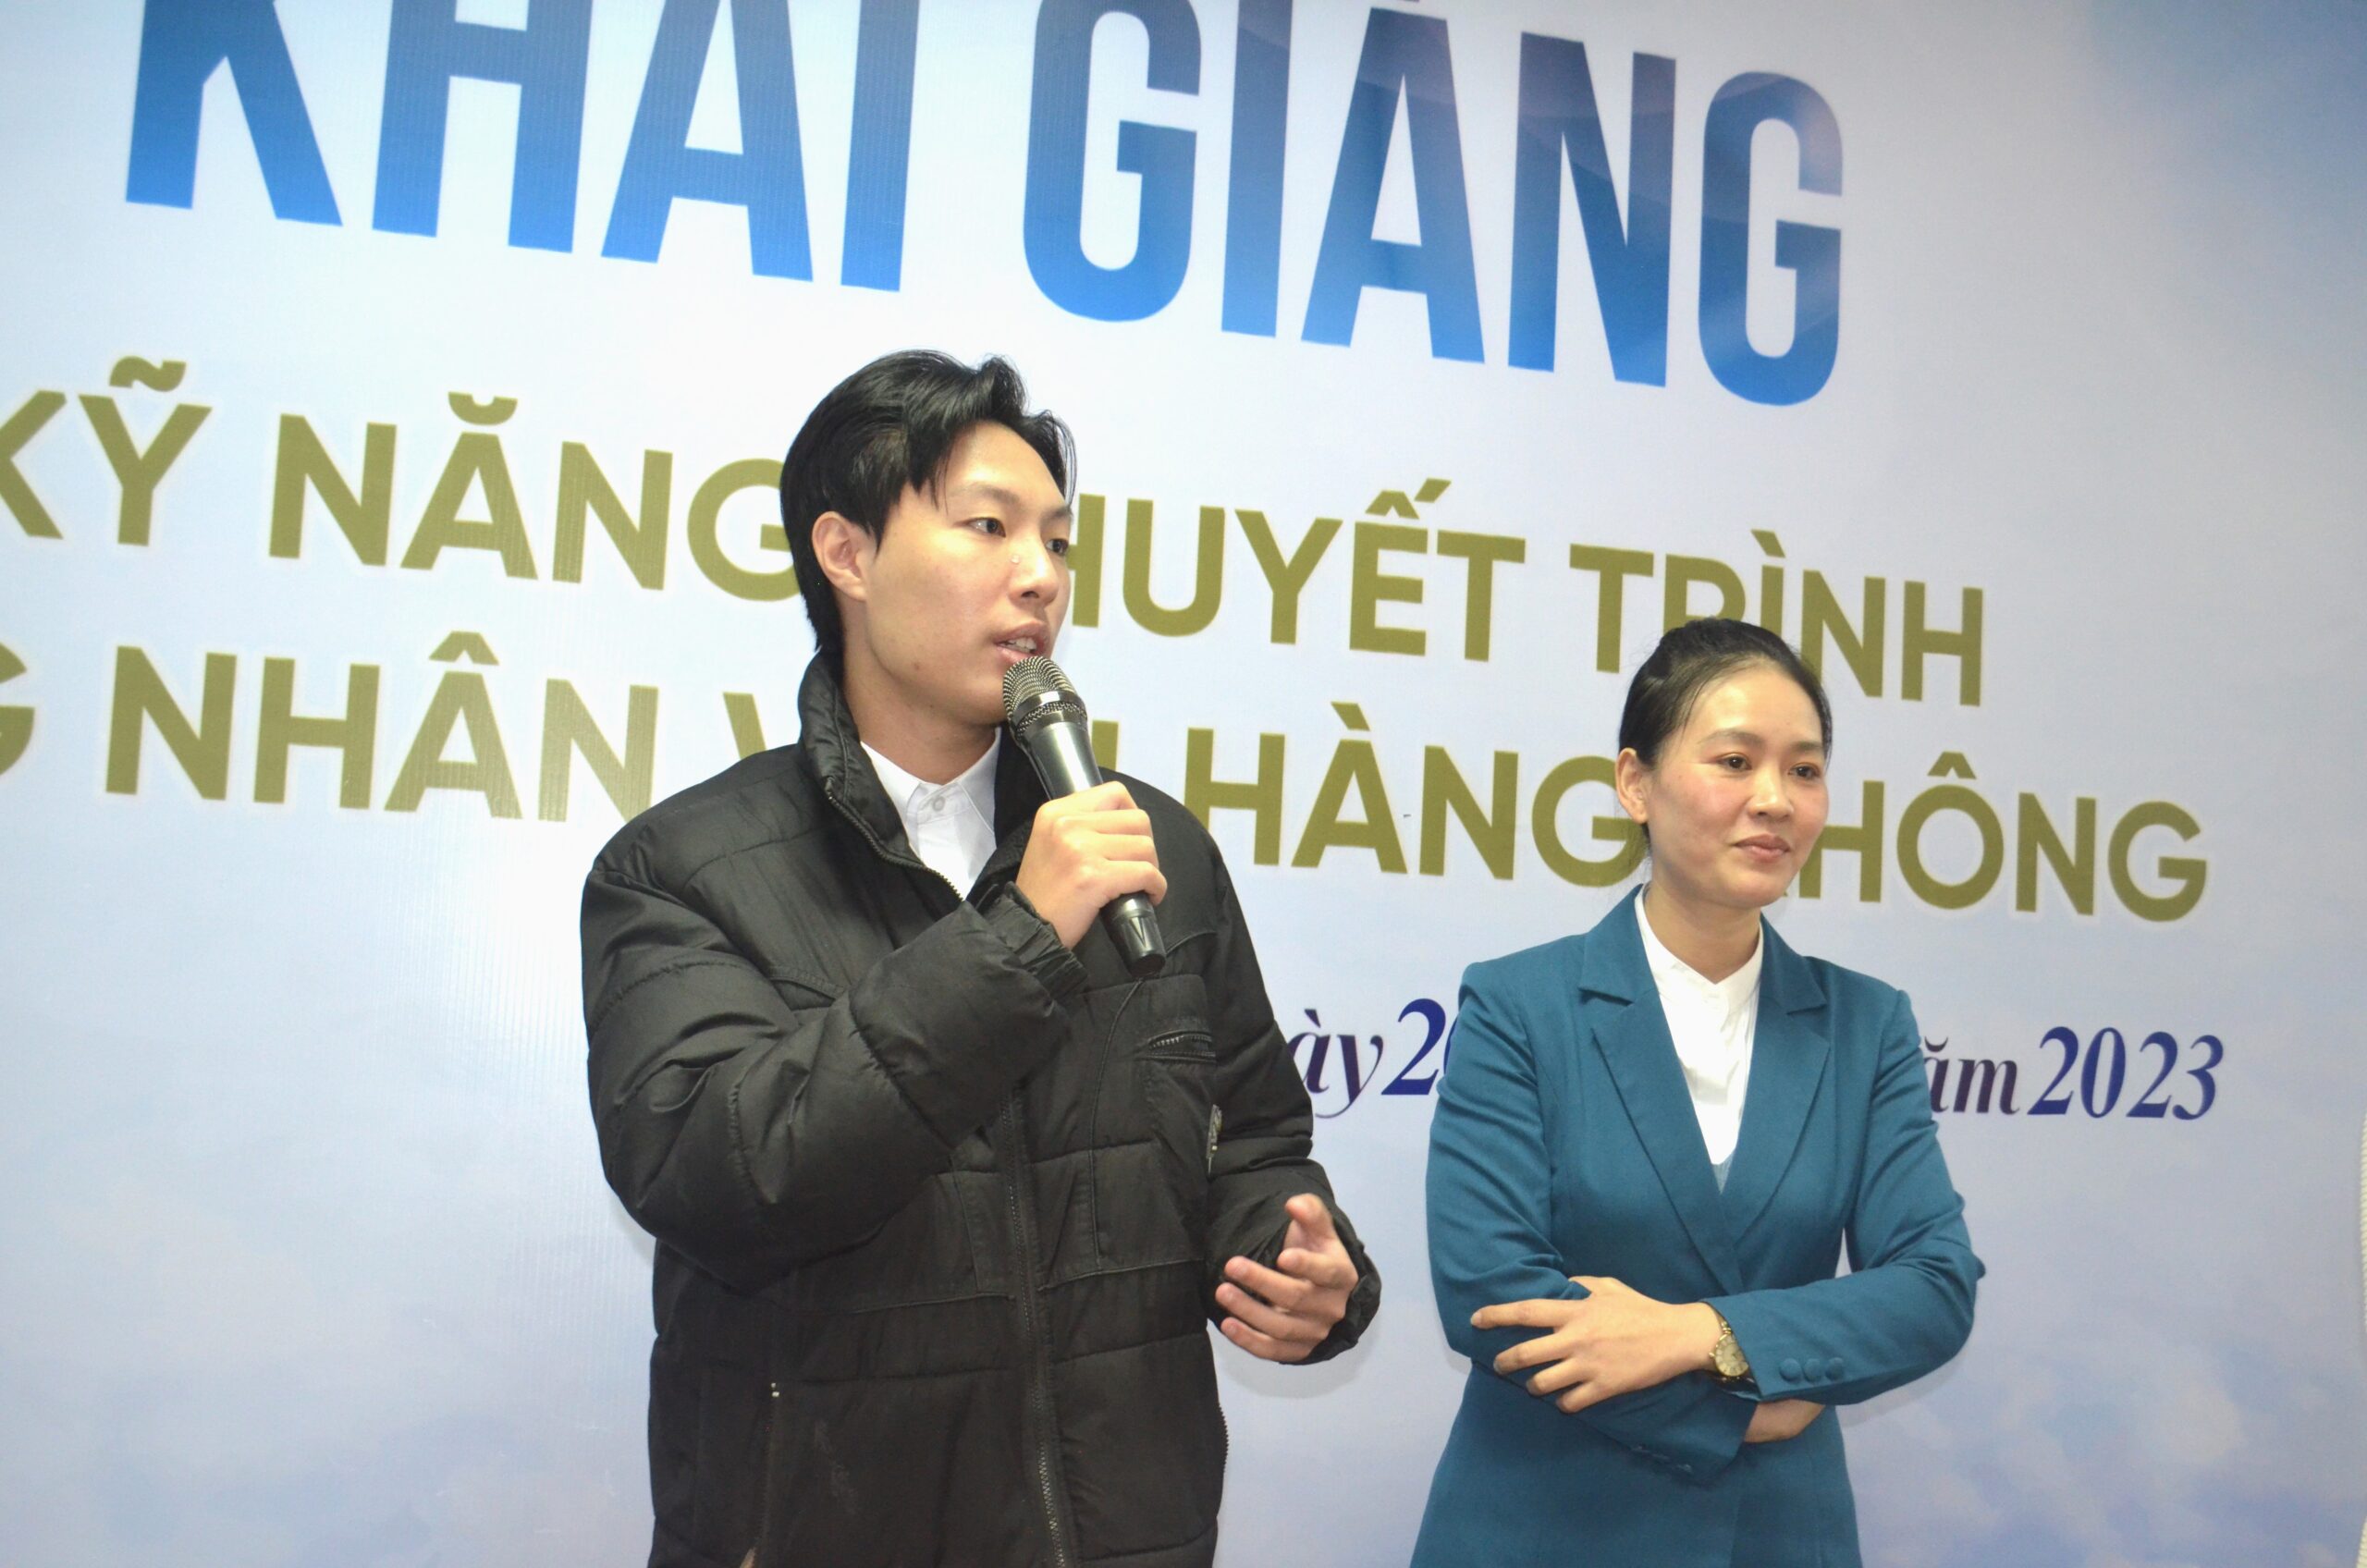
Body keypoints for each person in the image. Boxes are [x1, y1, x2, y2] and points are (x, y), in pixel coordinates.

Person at [581, 350, 1379, 1568]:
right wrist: (1021, 937)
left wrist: (1299, 1263)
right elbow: (722, 1181)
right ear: (846, 554)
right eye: (989, 527)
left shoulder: (1151, 845)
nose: (1039, 577)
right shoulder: (684, 868)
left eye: (1057, 541)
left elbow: (1253, 1140)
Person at [1411, 618, 1981, 1567]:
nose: (1775, 799)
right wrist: (1741, 1411)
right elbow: (1491, 1290)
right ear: (1634, 783)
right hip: (1545, 1526)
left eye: (1804, 769)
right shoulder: (1520, 1004)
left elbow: (1933, 1286)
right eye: (1735, 761)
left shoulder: (1865, 1024)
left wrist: (1704, 1335)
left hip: (1777, 1536)